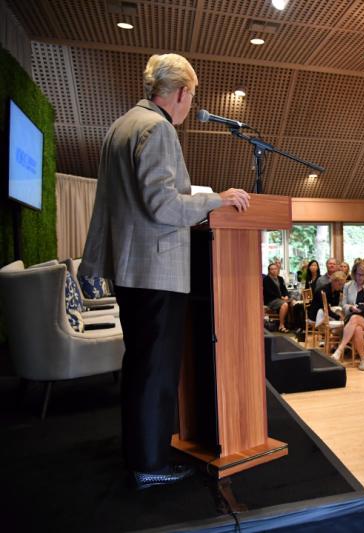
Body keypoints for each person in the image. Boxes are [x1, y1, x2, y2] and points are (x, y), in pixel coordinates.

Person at [78, 53, 250, 489]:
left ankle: (140, 452)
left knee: (139, 364)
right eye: (192, 95)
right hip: (155, 269)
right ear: (181, 92)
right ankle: (150, 463)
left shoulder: (122, 126)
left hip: (130, 268)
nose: (191, 104)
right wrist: (218, 198)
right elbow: (164, 205)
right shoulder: (159, 129)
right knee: (154, 369)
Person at [333, 263, 364, 371]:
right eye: (358, 274)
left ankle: (340, 349)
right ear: (354, 273)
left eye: (363, 275)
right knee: (357, 328)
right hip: (353, 316)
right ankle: (363, 360)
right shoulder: (348, 286)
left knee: (355, 320)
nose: (360, 277)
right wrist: (351, 308)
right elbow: (343, 305)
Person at [263, 262, 292, 333]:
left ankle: (291, 324)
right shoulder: (266, 280)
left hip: (280, 299)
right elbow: (269, 292)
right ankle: (281, 325)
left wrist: (286, 296)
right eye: (272, 269)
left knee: (293, 303)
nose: (274, 270)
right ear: (269, 271)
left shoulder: (280, 278)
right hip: (271, 300)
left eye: (275, 269)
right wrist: (281, 297)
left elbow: (284, 289)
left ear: (278, 269)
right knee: (284, 305)